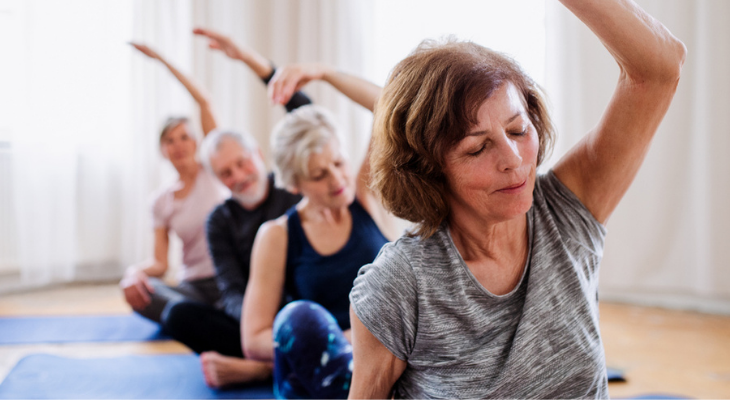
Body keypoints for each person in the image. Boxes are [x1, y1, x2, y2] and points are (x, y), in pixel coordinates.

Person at [347, 0, 686, 398]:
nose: (513, 161)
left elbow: (658, 69)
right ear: (430, 169)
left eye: (518, 129)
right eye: (477, 148)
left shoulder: (566, 211)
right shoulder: (399, 285)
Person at [159, 29, 311, 388]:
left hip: (308, 310)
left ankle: (260, 369)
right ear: (219, 180)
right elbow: (231, 289)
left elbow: (306, 117)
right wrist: (257, 331)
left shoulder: (292, 187)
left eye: (243, 164)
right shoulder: (220, 220)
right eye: (227, 173)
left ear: (258, 155)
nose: (239, 177)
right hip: (256, 323)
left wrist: (249, 59)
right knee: (177, 315)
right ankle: (271, 359)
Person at [239, 64, 401, 399]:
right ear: (295, 183)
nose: (337, 180)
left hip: (388, 358)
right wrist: (342, 339)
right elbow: (254, 338)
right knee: (298, 317)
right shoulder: (277, 235)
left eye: (339, 163)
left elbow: (387, 103)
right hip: (323, 369)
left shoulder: (365, 197)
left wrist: (324, 73)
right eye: (318, 175)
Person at [120, 43, 227, 323]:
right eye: (170, 140)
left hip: (230, 278)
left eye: (184, 137)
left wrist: (162, 60)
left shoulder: (213, 169)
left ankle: (197, 320)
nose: (178, 145)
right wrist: (134, 273)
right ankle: (197, 318)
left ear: (197, 141)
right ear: (162, 150)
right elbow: (160, 263)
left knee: (184, 314)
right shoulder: (160, 200)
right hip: (193, 287)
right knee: (144, 293)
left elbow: (204, 102)